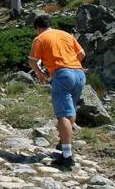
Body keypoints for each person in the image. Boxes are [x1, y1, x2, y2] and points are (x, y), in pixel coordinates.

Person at [28, 14, 86, 170]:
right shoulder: (66, 35)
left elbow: (32, 61)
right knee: (71, 110)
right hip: (79, 73)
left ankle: (67, 156)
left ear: (38, 28)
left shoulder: (40, 39)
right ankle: (63, 143)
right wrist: (71, 64)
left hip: (61, 74)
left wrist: (41, 74)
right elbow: (82, 54)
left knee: (62, 115)